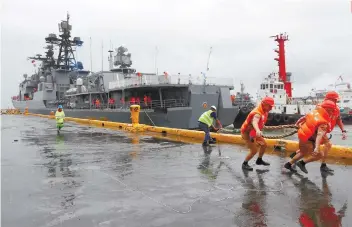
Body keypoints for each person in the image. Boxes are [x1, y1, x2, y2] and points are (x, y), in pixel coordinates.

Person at [289, 91, 347, 172]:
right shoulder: (321, 107)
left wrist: (343, 131)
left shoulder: (335, 109)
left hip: (323, 130)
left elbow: (338, 119)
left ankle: (293, 157)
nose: (336, 101)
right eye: (335, 100)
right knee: (326, 145)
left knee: (311, 147)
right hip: (317, 131)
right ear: (330, 99)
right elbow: (311, 117)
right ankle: (320, 164)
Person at [284, 100, 336, 173]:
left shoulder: (314, 112)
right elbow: (319, 135)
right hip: (308, 138)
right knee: (320, 154)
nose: (333, 112)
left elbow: (303, 118)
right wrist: (317, 148)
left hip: (303, 135)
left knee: (303, 152)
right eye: (332, 110)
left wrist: (297, 124)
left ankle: (288, 164)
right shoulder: (323, 122)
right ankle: (302, 163)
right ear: (328, 109)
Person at [240, 97, 274, 171]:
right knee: (254, 150)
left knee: (264, 145)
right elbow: (254, 121)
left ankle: (259, 160)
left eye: (272, 106)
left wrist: (261, 126)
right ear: (264, 104)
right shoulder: (257, 113)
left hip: (255, 132)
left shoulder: (265, 111)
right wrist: (258, 130)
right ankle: (244, 164)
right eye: (270, 106)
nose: (271, 108)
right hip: (247, 133)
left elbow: (260, 121)